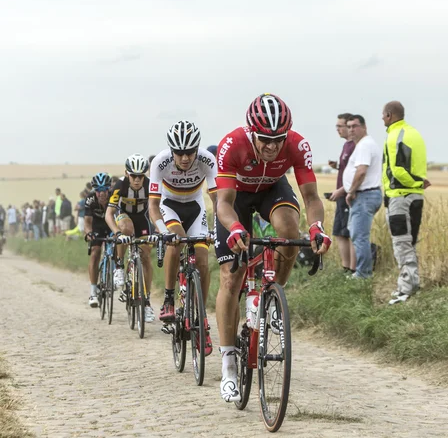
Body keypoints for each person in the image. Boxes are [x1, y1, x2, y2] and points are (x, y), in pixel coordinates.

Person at [214, 93, 331, 402]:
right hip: (236, 196)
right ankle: (227, 366)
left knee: (289, 231)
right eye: (264, 139)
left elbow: (311, 197)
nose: (271, 146)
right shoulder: (232, 144)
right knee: (231, 277)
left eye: (278, 139)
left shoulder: (297, 145)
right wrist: (236, 227)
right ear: (252, 133)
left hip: (271, 190)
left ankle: (272, 295)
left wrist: (318, 227)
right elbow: (223, 204)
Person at [148, 120, 217, 355]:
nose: (185, 158)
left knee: (202, 260)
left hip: (196, 207)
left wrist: (218, 229)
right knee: (175, 242)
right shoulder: (160, 162)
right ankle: (168, 298)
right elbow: (154, 206)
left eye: (190, 152)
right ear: (172, 151)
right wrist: (162, 231)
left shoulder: (207, 159)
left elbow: (218, 201)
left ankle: (202, 317)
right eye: (179, 153)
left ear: (197, 149)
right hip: (170, 206)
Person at [382, 101, 428, 304]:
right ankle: (410, 284)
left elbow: (397, 170)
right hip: (417, 196)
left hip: (400, 196)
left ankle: (406, 289)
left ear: (390, 115)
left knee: (401, 244)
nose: (382, 119)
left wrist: (414, 182)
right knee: (410, 242)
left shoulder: (394, 136)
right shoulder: (414, 133)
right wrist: (419, 183)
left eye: (383, 115)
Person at [105, 154, 155, 322]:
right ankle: (119, 266)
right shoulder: (120, 185)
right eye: (133, 175)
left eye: (140, 176)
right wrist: (117, 233)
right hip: (124, 215)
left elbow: (157, 210)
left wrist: (158, 232)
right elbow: (109, 214)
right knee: (126, 228)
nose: (137, 180)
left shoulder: (149, 185)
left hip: (143, 217)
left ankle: (146, 302)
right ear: (127, 174)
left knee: (146, 255)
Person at [342, 114, 382, 279]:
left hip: (364, 195)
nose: (351, 130)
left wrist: (351, 191)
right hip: (364, 195)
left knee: (360, 236)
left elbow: (361, 171)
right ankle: (362, 272)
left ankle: (363, 274)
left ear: (364, 127)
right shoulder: (363, 145)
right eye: (349, 126)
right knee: (357, 234)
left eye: (355, 126)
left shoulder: (365, 145)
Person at [327, 113, 356, 273]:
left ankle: (352, 270)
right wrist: (337, 166)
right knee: (339, 232)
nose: (337, 129)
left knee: (349, 233)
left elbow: (357, 174)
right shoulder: (346, 146)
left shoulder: (354, 146)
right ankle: (346, 269)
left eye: (340, 126)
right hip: (342, 195)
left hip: (347, 196)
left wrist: (341, 191)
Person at [84, 173, 112, 307]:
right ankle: (93, 292)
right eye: (99, 190)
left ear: (109, 189)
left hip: (111, 224)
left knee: (117, 247)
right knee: (95, 252)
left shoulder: (114, 197)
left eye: (105, 190)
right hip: (97, 226)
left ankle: (115, 273)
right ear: (95, 191)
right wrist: (89, 233)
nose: (102, 194)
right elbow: (87, 222)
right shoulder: (90, 199)